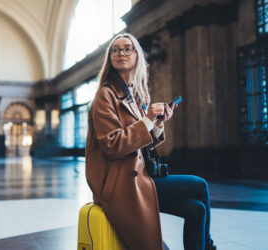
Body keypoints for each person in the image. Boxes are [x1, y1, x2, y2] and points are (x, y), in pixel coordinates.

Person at [85, 33, 216, 250]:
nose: (121, 53)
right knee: (200, 185)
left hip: (138, 176)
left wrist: (157, 125)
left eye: (127, 48)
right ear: (110, 59)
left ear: (137, 56)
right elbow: (113, 146)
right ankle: (210, 247)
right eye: (115, 50)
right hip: (120, 184)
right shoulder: (105, 95)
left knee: (197, 209)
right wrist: (146, 120)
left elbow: (137, 145)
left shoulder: (133, 96)